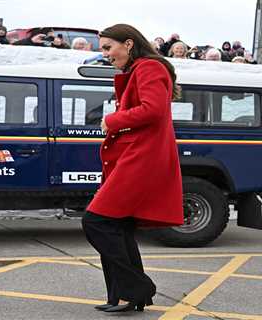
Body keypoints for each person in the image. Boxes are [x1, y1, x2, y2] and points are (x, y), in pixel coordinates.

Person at [82, 23, 183, 313]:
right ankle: (124, 296)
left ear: (128, 43)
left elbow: (153, 110)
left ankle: (137, 287)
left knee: (96, 221)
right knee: (116, 225)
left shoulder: (149, 68)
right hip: (136, 155)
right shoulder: (141, 69)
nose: (105, 54)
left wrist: (112, 120)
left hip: (141, 157)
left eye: (107, 47)